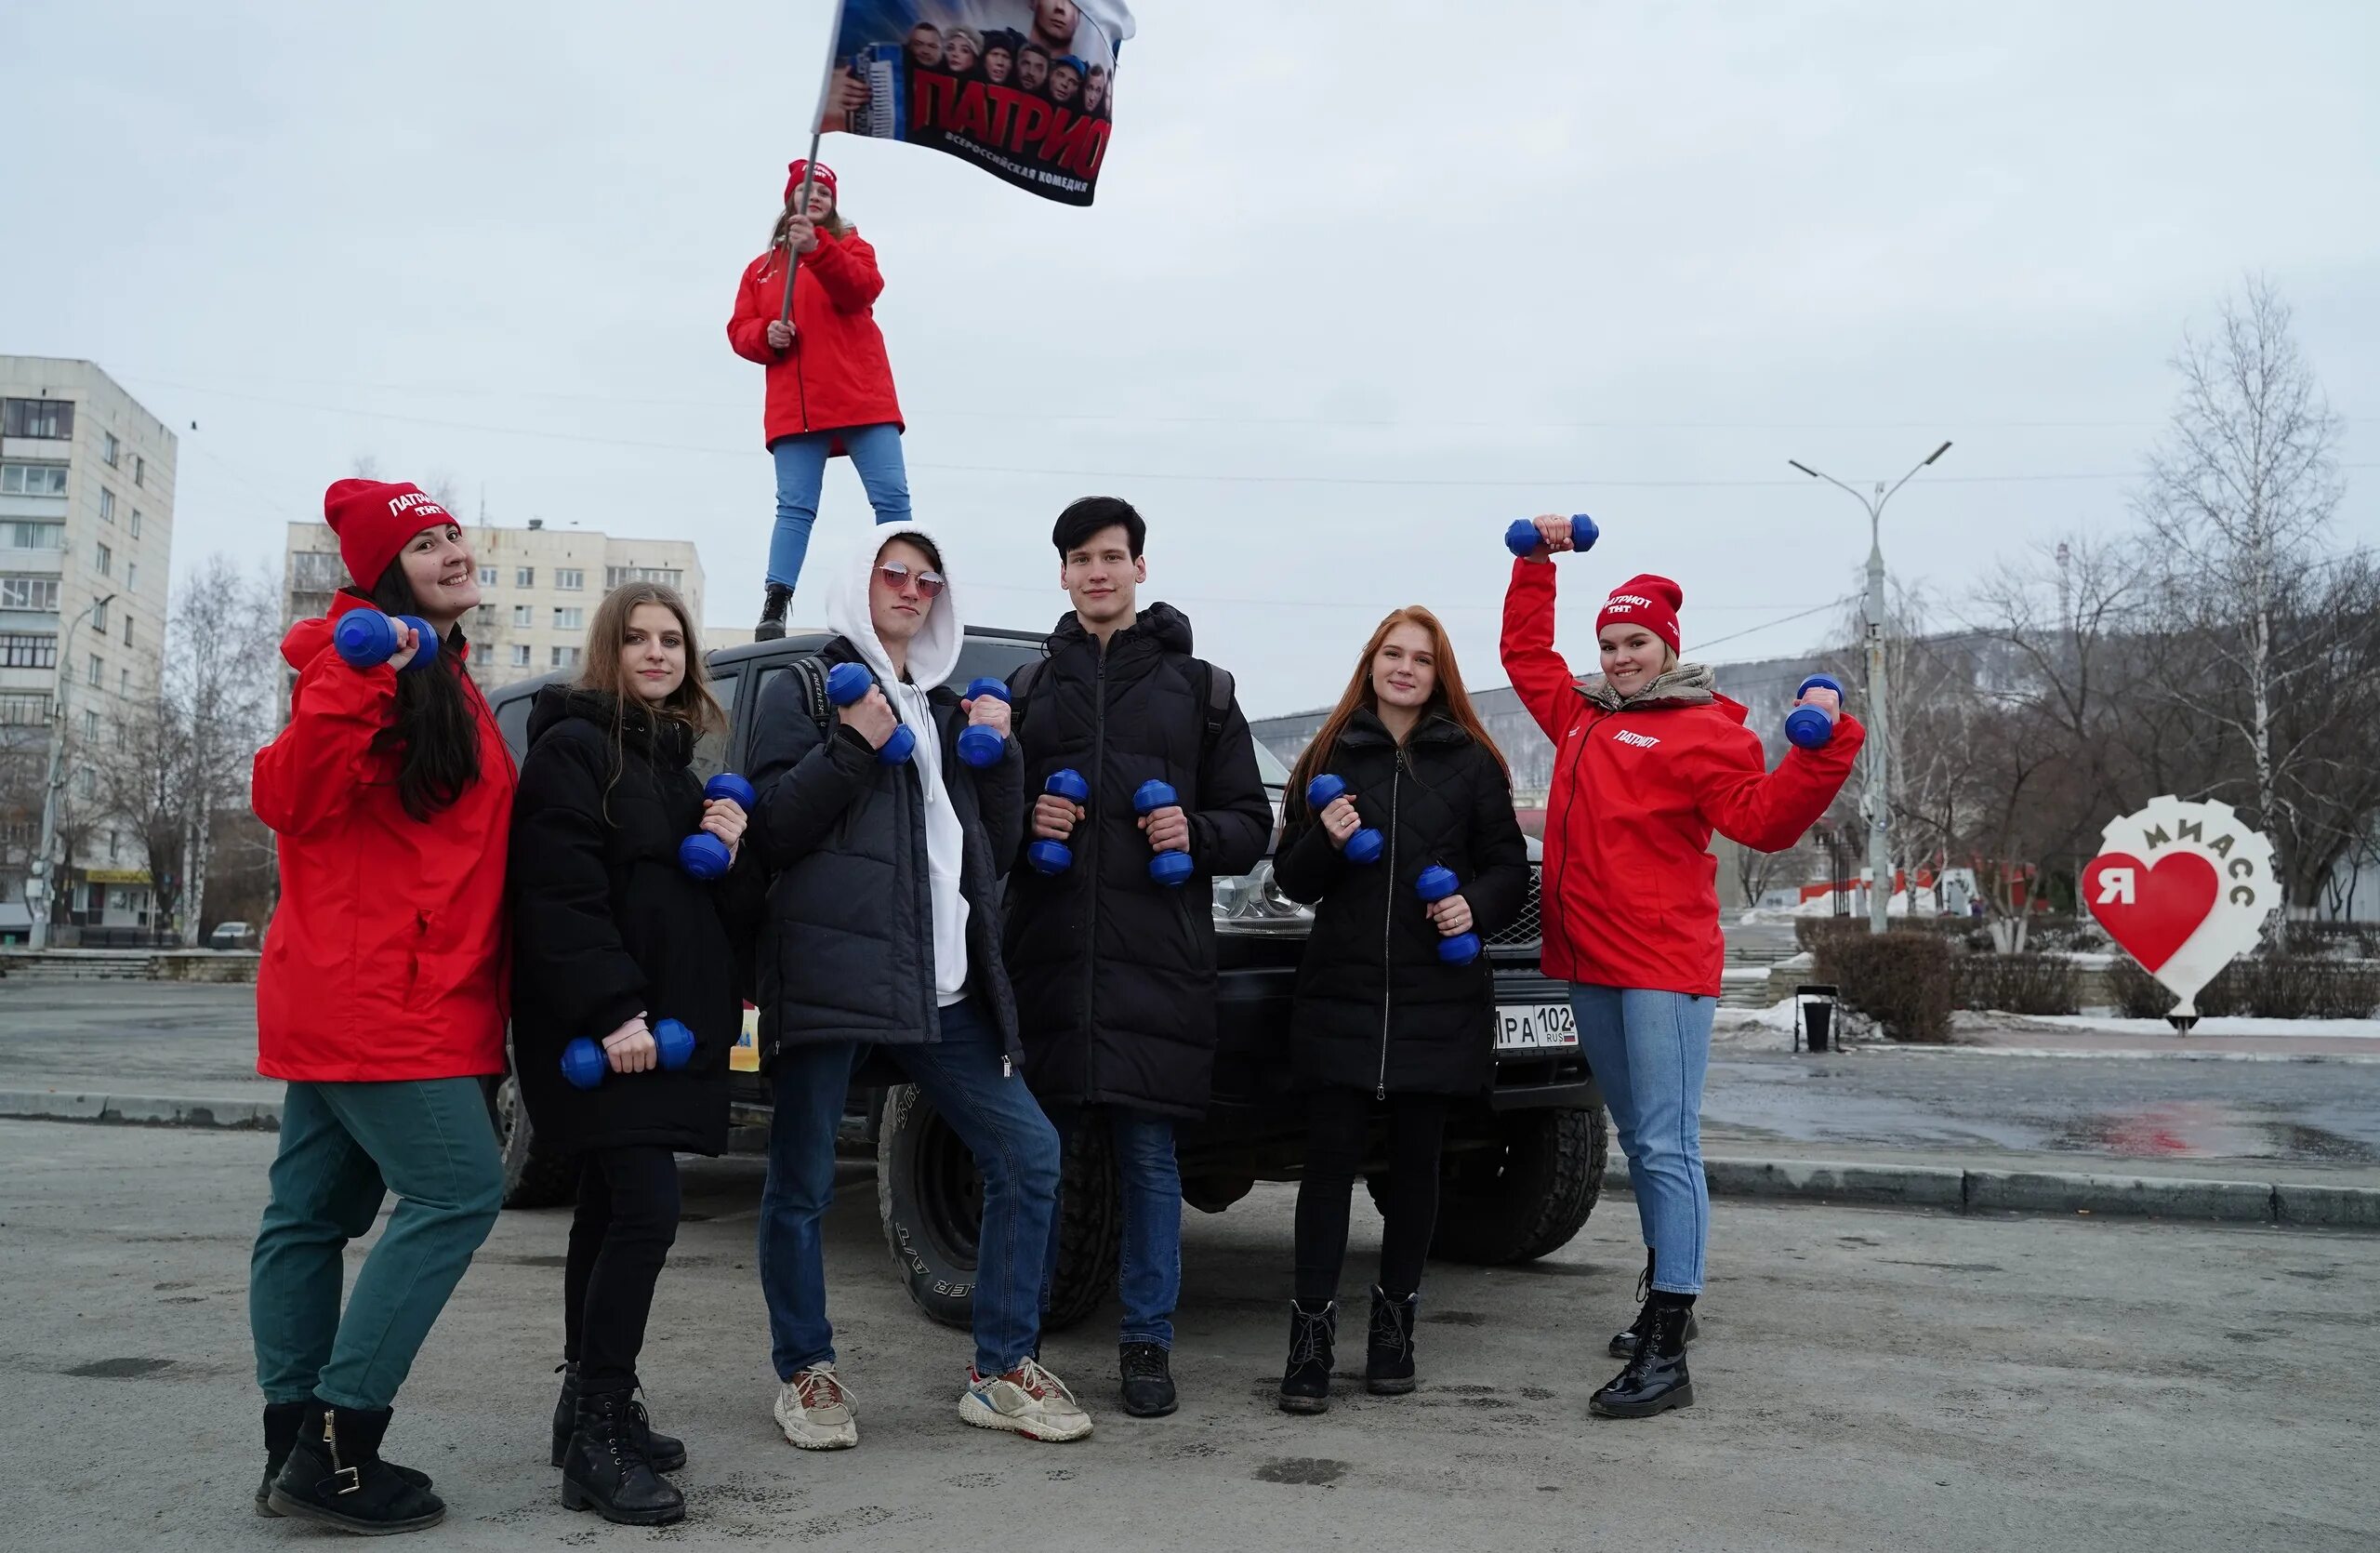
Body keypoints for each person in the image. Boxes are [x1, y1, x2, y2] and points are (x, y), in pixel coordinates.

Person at [1501, 516, 1863, 1419]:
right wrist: (1534, 561)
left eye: (1636, 643)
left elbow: (1767, 821)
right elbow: (1523, 653)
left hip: (1661, 965)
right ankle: (1672, 1294)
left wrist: (1821, 748)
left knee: (1666, 1143)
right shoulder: (1579, 717)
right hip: (1584, 961)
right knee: (1638, 1137)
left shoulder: (1707, 732)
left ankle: (1667, 1339)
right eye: (1611, 643)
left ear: (1668, 646)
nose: (1620, 657)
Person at [747, 526, 1093, 1445]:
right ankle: (806, 1371)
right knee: (801, 1184)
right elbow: (774, 827)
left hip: (943, 985)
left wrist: (1003, 753)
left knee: (1029, 1156)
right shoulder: (810, 689)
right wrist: (852, 746)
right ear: (856, 583)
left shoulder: (942, 708)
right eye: (892, 573)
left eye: (926, 578)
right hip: (835, 974)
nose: (911, 588)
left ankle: (999, 1367)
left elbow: (997, 847)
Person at [245, 479, 513, 1534]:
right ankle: (338, 1437)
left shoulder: (446, 674)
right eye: (423, 541)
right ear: (379, 569)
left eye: (452, 532)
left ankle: (290, 1449)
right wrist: (361, 674)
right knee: (458, 1191)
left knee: (308, 1215)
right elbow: (289, 797)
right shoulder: (359, 664)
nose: (451, 549)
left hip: (389, 987)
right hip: (382, 997)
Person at [1003, 497, 1273, 1418]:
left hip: (1155, 964)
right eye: (1080, 558)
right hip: (1048, 960)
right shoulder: (1027, 690)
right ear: (1065, 573)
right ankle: (1019, 1344)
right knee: (1039, 1159)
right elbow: (969, 820)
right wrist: (1019, 817)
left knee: (1151, 1163)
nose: (1097, 572)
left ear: (1139, 568)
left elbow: (1252, 824)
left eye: (1112, 556)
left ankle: (1146, 1344)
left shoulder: (1202, 689)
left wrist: (1190, 829)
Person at [508, 584, 761, 1525]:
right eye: (639, 638)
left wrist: (730, 849)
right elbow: (558, 892)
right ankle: (603, 1430)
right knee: (647, 1209)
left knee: (612, 1205)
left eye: (673, 639)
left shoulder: (677, 768)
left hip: (668, 1029)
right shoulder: (574, 749)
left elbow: (703, 911)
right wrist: (614, 1009)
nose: (658, 652)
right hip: (609, 1033)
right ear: (606, 648)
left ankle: (584, 1406)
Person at [1270, 607, 1528, 1413]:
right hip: (1342, 993)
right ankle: (1308, 1347)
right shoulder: (1326, 754)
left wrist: (1472, 910)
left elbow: (1507, 870)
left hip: (1434, 997)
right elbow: (1295, 880)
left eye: (1421, 657)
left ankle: (1393, 1336)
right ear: (1371, 662)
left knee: (1417, 1173)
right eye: (1393, 654)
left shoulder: (1475, 762)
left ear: (1440, 672)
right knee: (1327, 1176)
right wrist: (1328, 837)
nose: (1405, 668)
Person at [726, 159, 907, 637]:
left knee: (891, 498)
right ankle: (776, 603)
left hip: (862, 397)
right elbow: (738, 330)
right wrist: (766, 334)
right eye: (805, 191)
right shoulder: (762, 270)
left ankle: (903, 589)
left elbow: (861, 290)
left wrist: (819, 249)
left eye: (824, 191)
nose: (815, 197)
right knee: (795, 506)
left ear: (832, 203)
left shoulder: (851, 246)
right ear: (790, 201)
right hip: (796, 407)